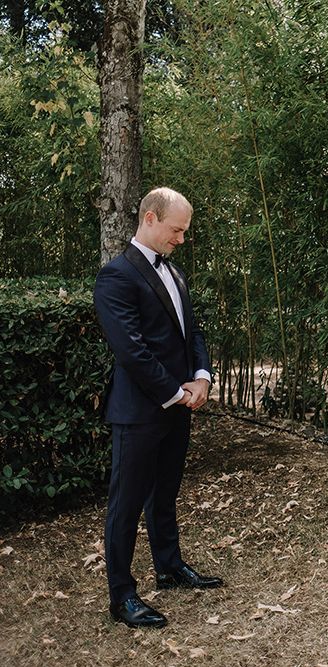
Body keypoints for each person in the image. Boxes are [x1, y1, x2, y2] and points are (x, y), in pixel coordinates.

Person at [94, 187, 222, 629]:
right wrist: (177, 391)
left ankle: (169, 567)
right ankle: (122, 596)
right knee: (125, 505)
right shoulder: (116, 277)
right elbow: (131, 350)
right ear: (150, 218)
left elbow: (193, 333)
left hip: (178, 406)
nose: (181, 239)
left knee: (164, 494)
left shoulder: (177, 273)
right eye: (176, 230)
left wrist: (203, 377)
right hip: (139, 411)